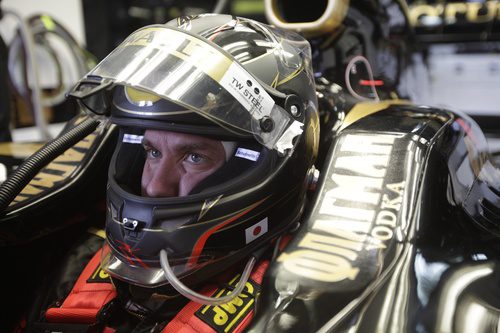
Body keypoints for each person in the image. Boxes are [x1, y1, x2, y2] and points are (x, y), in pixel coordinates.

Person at [21, 13, 319, 333]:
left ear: (263, 162)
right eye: (152, 152)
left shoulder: (302, 306)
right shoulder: (69, 269)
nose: (154, 187)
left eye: (194, 156)